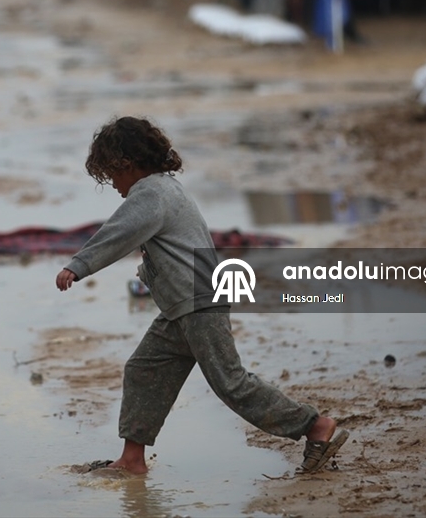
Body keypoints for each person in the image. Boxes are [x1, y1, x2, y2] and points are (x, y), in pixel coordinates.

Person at [55, 116, 348, 475]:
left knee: (232, 383)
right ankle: (132, 460)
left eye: (112, 175)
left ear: (126, 165)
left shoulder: (150, 194)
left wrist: (79, 264)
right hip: (183, 308)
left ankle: (315, 426)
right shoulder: (167, 188)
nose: (114, 185)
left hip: (199, 305)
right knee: (144, 369)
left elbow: (119, 232)